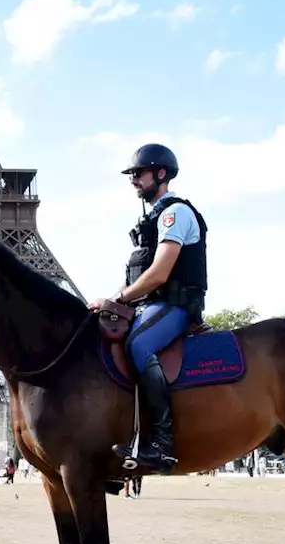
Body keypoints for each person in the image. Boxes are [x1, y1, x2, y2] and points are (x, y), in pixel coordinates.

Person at [87, 143, 207, 475]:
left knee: (139, 344)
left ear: (161, 174)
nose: (133, 180)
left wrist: (117, 298)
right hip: (152, 304)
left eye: (138, 173)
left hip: (176, 305)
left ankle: (162, 445)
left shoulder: (175, 213)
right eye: (132, 175)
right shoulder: (154, 217)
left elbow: (159, 274)